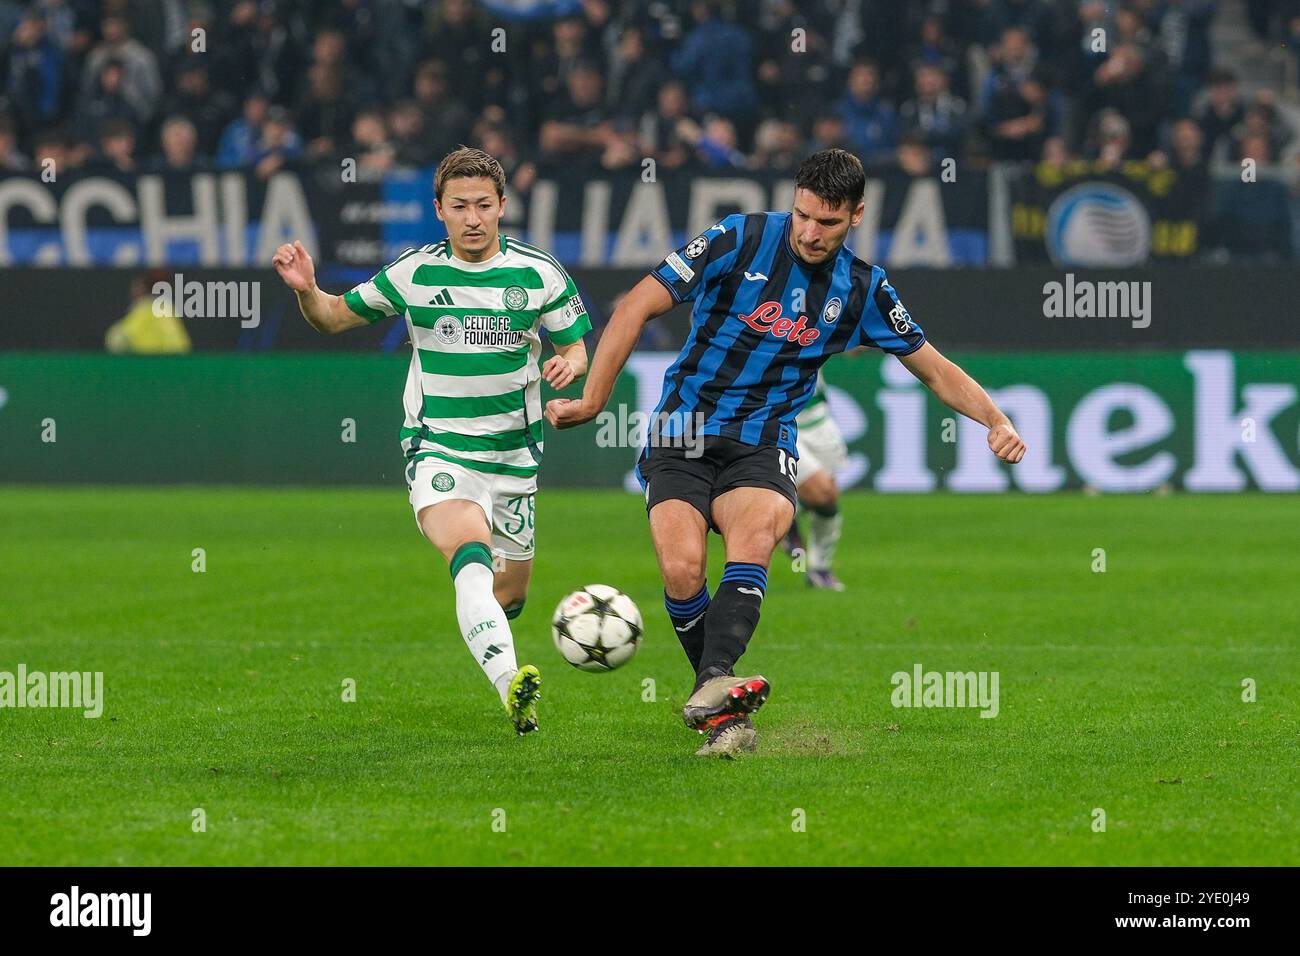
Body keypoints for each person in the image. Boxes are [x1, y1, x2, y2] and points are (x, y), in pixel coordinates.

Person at [545, 148, 1025, 758]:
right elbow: (637, 305)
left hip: (763, 443)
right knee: (682, 570)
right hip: (682, 433)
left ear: (855, 216)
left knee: (755, 540)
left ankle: (714, 700)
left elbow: (933, 369)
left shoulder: (864, 288)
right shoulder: (737, 238)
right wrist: (592, 402)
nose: (809, 231)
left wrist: (994, 418)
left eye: (827, 222)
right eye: (801, 215)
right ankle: (716, 699)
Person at [272, 147, 591, 736]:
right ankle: (512, 686)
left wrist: (571, 367)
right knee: (468, 558)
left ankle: (495, 631)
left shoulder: (539, 273)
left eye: (484, 206)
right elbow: (335, 317)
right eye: (460, 206)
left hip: (515, 457)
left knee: (509, 594)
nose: (473, 218)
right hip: (439, 447)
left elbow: (575, 345)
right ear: (439, 210)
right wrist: (306, 291)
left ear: (502, 208)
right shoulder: (413, 273)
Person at [781, 370, 848, 591]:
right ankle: (785, 516)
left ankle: (820, 568)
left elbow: (851, 348)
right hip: (781, 422)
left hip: (819, 419)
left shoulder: (817, 333)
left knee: (828, 498)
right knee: (821, 491)